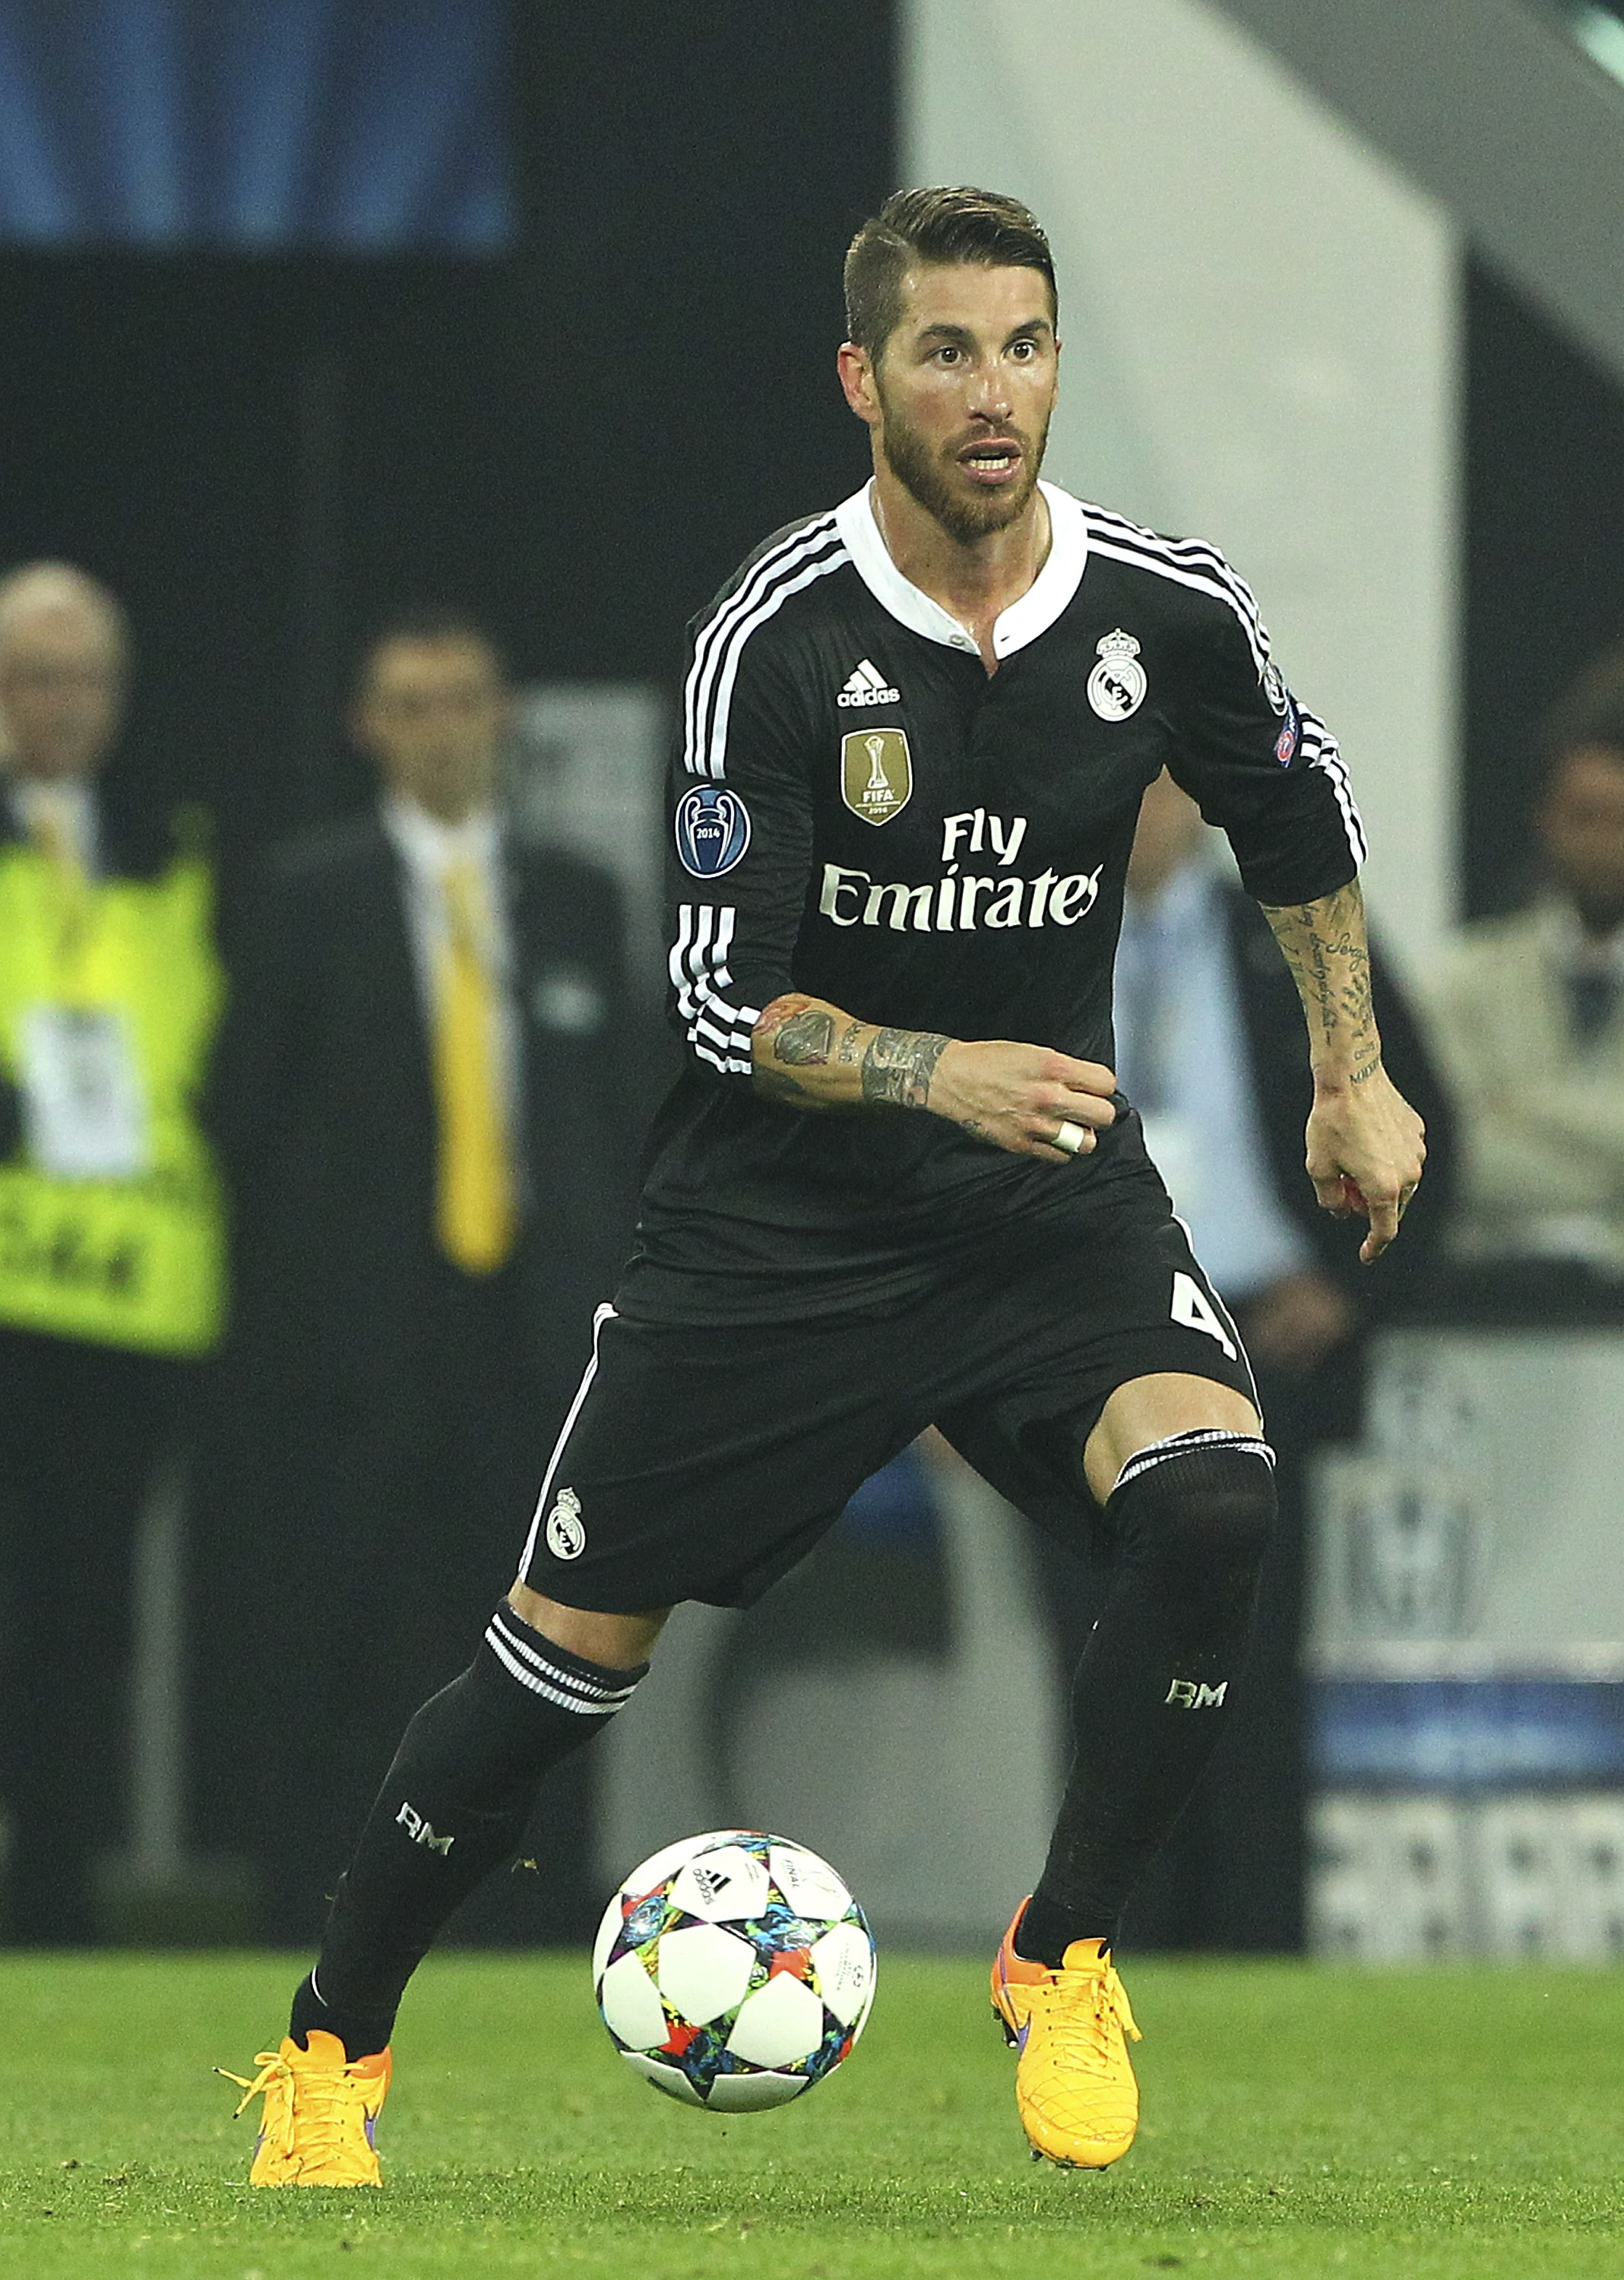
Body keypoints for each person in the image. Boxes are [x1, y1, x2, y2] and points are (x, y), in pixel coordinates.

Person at [222, 188, 1424, 2184]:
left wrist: (1352, 1073)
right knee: (559, 1666)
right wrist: (933, 1068)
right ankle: (330, 2050)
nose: (993, 392)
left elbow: (1295, 813)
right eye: (948, 352)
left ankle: (1060, 1957)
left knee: (1215, 1495)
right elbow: (718, 996)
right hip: (778, 1234)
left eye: (1023, 347)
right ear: (864, 379)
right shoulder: (772, 636)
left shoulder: (1162, 610)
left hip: (1042, 1205)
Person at [195, 613, 632, 1942]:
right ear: (366, 728)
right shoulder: (304, 896)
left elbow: (621, 1117)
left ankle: (530, 1916)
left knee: (541, 1635)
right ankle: (317, 1911)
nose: (442, 730)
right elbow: (241, 1116)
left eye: (463, 701)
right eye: (412, 704)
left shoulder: (576, 897)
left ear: (503, 717)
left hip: (533, 1337)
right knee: (335, 1626)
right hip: (353, 1342)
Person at [1100, 770, 1455, 1949]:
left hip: (1254, 1349)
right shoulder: (1029, 935)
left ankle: (1258, 1941)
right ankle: (1101, 1948)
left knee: (1245, 1666)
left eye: (1155, 784)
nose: (1135, 810)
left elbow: (1426, 1124)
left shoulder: (1290, 938)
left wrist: (1349, 1285)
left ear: (1193, 796)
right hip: (1086, 1346)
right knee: (1100, 1663)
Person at [0, 561, 224, 1943]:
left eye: (84, 678)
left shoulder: (175, 848)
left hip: (128, 1303)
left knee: (87, 1622)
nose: (62, 704)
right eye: (35, 677)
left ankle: (55, 1908)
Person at [1426, 649, 1624, 1278]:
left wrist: (1519, 1109)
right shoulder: (1461, 982)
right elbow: (1450, 1155)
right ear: (1544, 819)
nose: (1605, 845)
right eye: (1585, 818)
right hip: (1487, 1303)